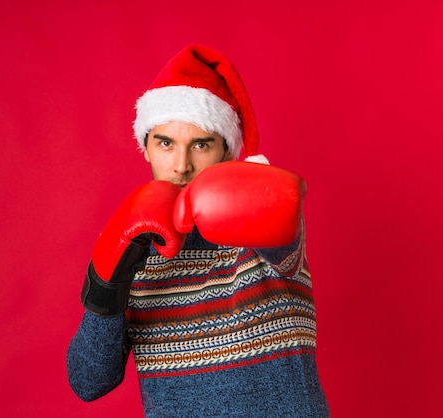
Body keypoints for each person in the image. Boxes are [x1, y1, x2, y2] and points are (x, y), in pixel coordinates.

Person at [67, 44, 330, 417]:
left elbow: (286, 246)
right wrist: (108, 282)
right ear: (145, 148)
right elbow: (89, 381)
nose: (181, 165)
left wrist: (245, 196)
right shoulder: (134, 241)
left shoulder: (264, 210)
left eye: (201, 145)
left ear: (226, 150)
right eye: (165, 143)